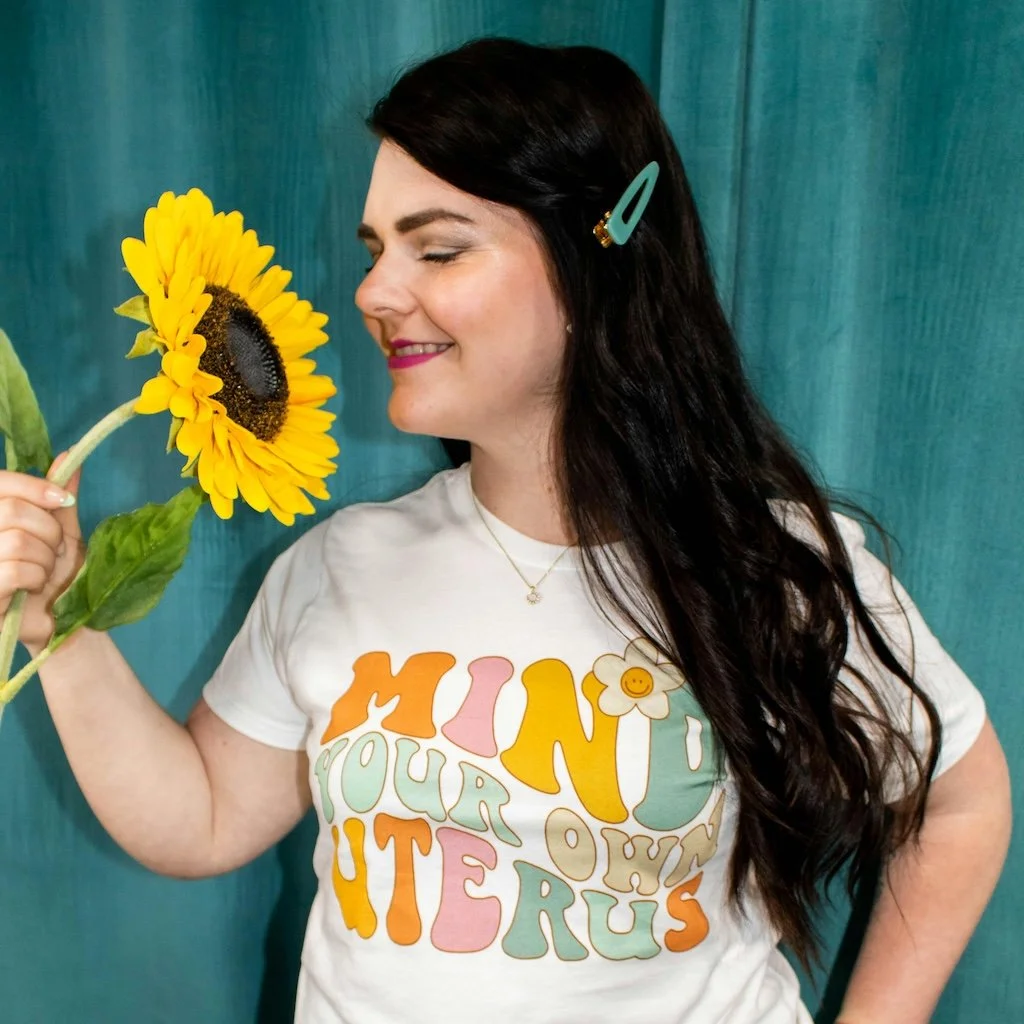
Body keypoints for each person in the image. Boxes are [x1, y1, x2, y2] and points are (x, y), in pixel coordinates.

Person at [0, 37, 1010, 1024]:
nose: (372, 292)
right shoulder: (336, 565)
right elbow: (205, 816)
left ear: (592, 265)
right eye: (375, 250)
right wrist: (60, 618)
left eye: (437, 248)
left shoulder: (766, 565)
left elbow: (959, 802)